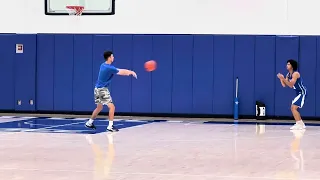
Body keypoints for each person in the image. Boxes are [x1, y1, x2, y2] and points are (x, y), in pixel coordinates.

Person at [85, 51, 137, 132]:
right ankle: (110, 126)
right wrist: (131, 72)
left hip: (97, 88)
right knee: (112, 107)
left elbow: (118, 70)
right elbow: (120, 72)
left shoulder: (103, 65)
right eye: (112, 56)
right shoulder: (109, 68)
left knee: (99, 107)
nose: (113, 58)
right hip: (102, 89)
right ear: (109, 57)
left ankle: (89, 122)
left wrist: (128, 71)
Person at [277, 59, 307, 130]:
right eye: (287, 64)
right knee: (293, 108)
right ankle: (301, 124)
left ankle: (299, 124)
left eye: (288, 64)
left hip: (302, 92)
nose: (287, 65)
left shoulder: (295, 74)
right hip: (298, 93)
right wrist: (281, 79)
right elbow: (284, 85)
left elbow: (291, 85)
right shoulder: (288, 74)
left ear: (292, 66)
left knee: (293, 108)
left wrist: (283, 79)